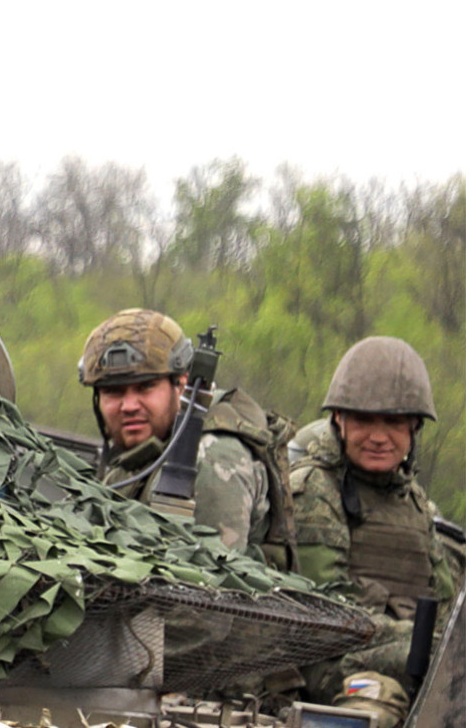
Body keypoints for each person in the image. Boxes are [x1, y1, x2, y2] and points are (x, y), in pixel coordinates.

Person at [289, 336, 464, 726]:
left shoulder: (414, 502)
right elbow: (327, 617)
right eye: (365, 420)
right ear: (339, 419)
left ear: (414, 426)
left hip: (409, 659)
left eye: (394, 422)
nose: (379, 436)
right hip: (331, 665)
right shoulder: (315, 489)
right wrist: (419, 646)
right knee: (374, 709)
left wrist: (442, 652)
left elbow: (448, 609)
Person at [78, 308, 297, 564]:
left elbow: (212, 589)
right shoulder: (139, 456)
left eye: (145, 387)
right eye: (113, 392)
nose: (129, 405)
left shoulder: (211, 458)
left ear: (182, 384)